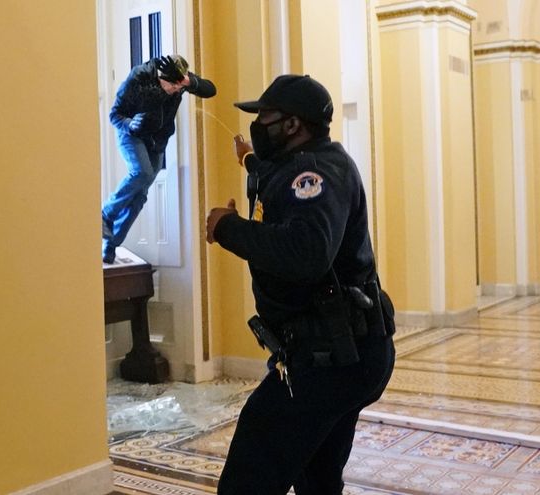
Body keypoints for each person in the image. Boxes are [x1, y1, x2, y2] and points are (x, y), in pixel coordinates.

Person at [205, 74, 396, 494]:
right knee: (318, 476)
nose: (259, 124)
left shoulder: (313, 172)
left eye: (265, 117)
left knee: (249, 476)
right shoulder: (315, 159)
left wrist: (228, 228)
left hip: (329, 358)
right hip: (348, 352)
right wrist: (249, 159)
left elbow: (307, 252)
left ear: (292, 125)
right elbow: (277, 178)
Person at [102, 55, 216, 263]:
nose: (175, 90)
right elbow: (114, 115)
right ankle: (105, 214)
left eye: (178, 86)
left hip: (157, 141)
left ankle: (111, 244)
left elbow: (211, 90)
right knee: (142, 172)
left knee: (140, 196)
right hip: (132, 134)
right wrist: (130, 125)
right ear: (159, 77)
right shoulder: (139, 78)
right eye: (170, 85)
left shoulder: (180, 80)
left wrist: (188, 82)